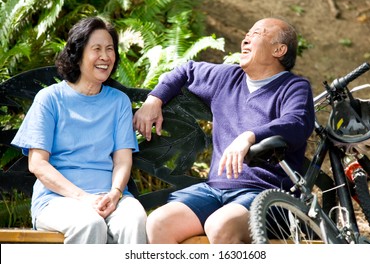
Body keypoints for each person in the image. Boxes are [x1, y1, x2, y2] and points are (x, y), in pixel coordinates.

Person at [133, 17, 315, 244]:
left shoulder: (294, 87)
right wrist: (154, 99)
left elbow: (297, 122)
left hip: (267, 195)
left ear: (279, 50)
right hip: (215, 191)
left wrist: (250, 136)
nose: (246, 38)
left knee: (220, 226)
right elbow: (186, 70)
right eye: (247, 32)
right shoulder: (227, 78)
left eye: (258, 33)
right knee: (159, 222)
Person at [11, 17, 147, 244]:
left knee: (134, 220)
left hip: (110, 197)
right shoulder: (50, 99)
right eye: (97, 49)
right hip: (57, 200)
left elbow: (123, 160)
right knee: (89, 223)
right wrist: (83, 198)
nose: (105, 57)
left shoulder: (118, 102)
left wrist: (115, 193)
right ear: (78, 54)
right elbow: (37, 164)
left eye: (110, 49)